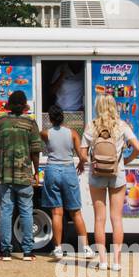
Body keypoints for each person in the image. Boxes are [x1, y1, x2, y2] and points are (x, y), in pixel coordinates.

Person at [83, 93, 139, 271]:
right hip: (118, 174)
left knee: (99, 219)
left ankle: (102, 261)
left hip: (96, 175)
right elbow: (138, 148)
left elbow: (82, 152)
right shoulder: (122, 126)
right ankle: (116, 262)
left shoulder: (91, 126)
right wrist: (126, 160)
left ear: (97, 107)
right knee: (116, 219)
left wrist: (91, 163)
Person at [0, 88, 42, 261]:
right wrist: (36, 171)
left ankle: (5, 251)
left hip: (5, 174)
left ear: (9, 106)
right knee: (27, 211)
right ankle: (28, 251)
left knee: (6, 211)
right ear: (24, 106)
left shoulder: (0, 122)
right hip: (25, 174)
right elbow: (35, 150)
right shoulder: (30, 124)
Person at [40, 104, 95, 260]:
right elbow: (82, 156)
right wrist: (82, 163)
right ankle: (85, 248)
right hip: (69, 170)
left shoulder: (45, 134)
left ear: (50, 119)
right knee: (75, 211)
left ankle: (57, 248)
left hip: (52, 170)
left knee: (57, 212)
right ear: (63, 117)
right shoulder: (72, 133)